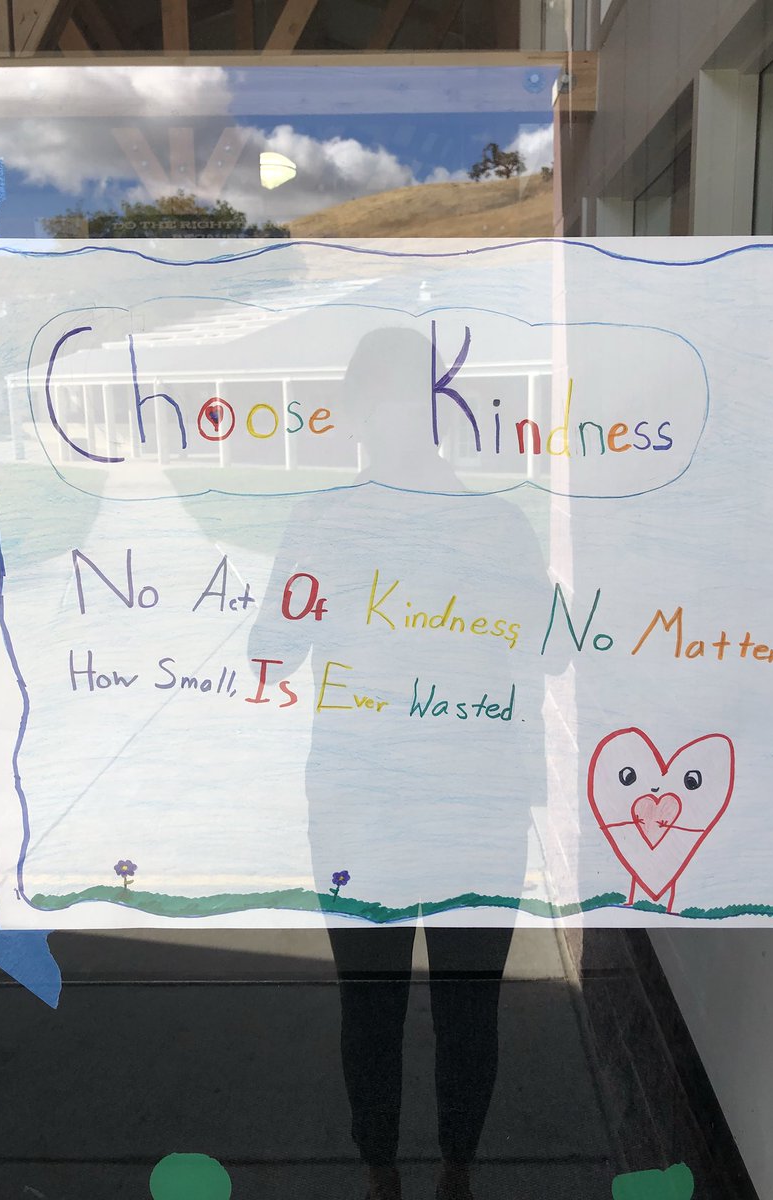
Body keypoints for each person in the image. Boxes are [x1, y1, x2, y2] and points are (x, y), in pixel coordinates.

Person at [249, 326, 556, 1199]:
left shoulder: (325, 523)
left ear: (358, 416)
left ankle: (389, 1174)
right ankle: (449, 1172)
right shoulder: (497, 526)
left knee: (376, 1004)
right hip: (462, 805)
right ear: (438, 415)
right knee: (463, 1007)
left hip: (374, 805)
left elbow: (269, 652)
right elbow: (555, 648)